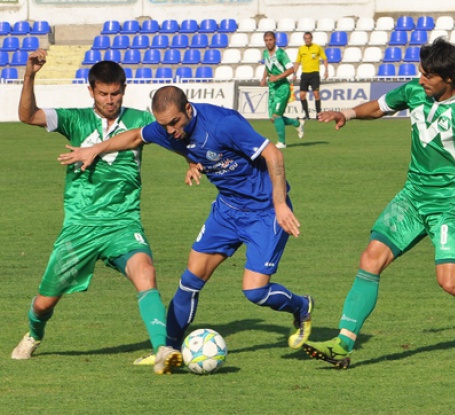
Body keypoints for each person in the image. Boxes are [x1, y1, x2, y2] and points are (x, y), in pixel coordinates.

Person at [57, 85, 314, 358]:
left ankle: (301, 307)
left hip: (265, 212)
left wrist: (279, 204)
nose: (169, 131)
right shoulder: (167, 127)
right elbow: (134, 137)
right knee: (190, 280)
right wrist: (95, 149)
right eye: (163, 125)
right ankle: (169, 350)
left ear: (188, 109)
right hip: (227, 210)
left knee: (255, 291)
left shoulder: (223, 125)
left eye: (174, 123)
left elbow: (273, 153)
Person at [303, 38, 455, 368]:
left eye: (428, 75)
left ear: (448, 78)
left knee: (450, 282)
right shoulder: (415, 92)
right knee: (370, 258)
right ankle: (343, 344)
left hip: (450, 205)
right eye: (420, 72)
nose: (421, 79)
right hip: (412, 196)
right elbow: (378, 107)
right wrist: (346, 113)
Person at [11, 50, 182, 375]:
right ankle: (33, 335)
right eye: (103, 93)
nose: (109, 99)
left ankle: (163, 349)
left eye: (115, 93)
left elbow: (176, 135)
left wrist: (191, 162)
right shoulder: (74, 119)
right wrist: (30, 74)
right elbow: (27, 115)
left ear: (123, 89)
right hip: (80, 227)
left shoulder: (140, 121)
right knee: (44, 303)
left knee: (145, 272)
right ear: (91, 91)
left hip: (123, 222)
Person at [260, 31, 305, 149]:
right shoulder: (265, 53)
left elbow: (291, 70)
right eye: (266, 40)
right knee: (273, 119)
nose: (268, 42)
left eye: (270, 40)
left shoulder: (281, 54)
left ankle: (282, 142)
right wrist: (264, 78)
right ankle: (297, 123)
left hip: (282, 88)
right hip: (272, 89)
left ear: (275, 40)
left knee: (276, 115)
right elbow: (267, 66)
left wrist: (278, 77)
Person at [293, 31, 328, 120]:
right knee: (302, 95)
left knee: (316, 94)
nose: (307, 40)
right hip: (305, 74)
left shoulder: (317, 48)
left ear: (311, 39)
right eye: (306, 39)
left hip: (314, 74)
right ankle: (307, 115)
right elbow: (297, 62)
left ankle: (318, 114)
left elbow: (324, 59)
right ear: (304, 39)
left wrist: (326, 70)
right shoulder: (301, 49)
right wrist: (294, 73)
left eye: (309, 38)